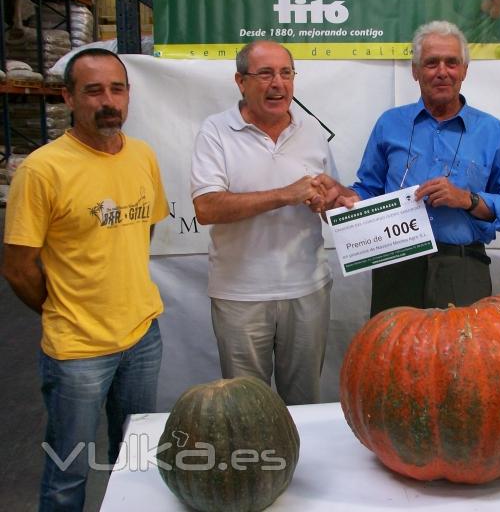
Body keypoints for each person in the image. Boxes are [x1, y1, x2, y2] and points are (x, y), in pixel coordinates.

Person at [2, 48, 168, 511]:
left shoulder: (142, 156)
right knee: (67, 472)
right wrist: (62, 309)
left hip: (141, 336)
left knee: (135, 461)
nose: (108, 101)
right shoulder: (42, 170)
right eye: (93, 90)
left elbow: (145, 229)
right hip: (76, 351)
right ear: (68, 98)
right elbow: (17, 266)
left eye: (117, 89)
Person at [325, 20, 500, 316]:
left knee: (463, 361)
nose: (442, 72)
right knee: (393, 358)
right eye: (431, 63)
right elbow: (368, 188)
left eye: (452, 63)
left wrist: (468, 200)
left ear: (464, 71)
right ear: (415, 71)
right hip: (396, 266)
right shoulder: (389, 124)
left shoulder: (491, 131)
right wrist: (352, 201)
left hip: (463, 268)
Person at [190, 40, 337, 405]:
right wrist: (285, 194)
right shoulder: (215, 131)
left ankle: (303, 465)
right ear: (241, 81)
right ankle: (257, 465)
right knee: (246, 409)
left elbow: (330, 192)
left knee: (305, 406)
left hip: (307, 289)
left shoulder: (312, 129)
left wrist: (332, 199)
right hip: (240, 295)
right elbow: (206, 207)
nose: (279, 84)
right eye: (266, 73)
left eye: (286, 73)